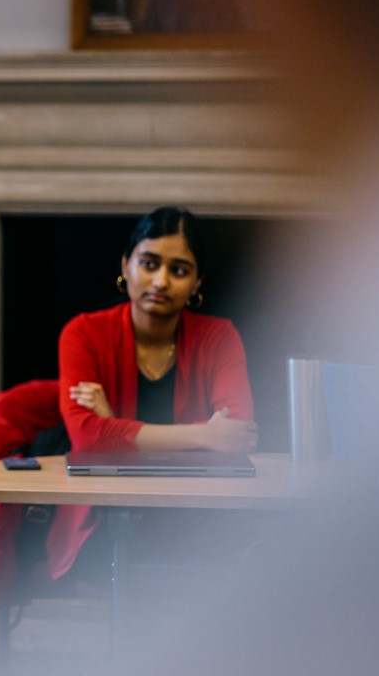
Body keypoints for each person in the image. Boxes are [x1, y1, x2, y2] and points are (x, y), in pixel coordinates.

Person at [48, 206, 257, 580]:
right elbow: (86, 436)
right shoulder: (83, 334)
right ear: (126, 265)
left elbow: (237, 435)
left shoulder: (219, 336)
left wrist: (115, 427)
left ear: (196, 282)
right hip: (108, 512)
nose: (160, 281)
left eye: (178, 270)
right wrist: (203, 434)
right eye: (149, 264)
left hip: (198, 510)